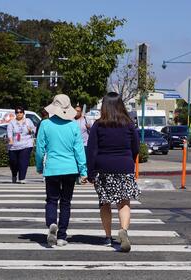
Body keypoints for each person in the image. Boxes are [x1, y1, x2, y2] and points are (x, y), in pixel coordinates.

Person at [86, 92, 140, 252]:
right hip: (124, 166)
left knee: (105, 203)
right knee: (124, 202)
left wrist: (90, 172)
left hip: (103, 168)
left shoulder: (98, 125)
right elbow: (136, 147)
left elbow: (92, 150)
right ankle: (123, 230)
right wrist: (130, 159)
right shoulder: (129, 124)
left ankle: (108, 237)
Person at [36, 94, 87, 247]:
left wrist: (39, 166)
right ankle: (62, 236)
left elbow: (39, 149)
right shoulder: (73, 126)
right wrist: (83, 171)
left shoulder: (45, 124)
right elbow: (79, 150)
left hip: (52, 168)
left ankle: (52, 223)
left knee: (51, 200)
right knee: (66, 202)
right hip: (70, 168)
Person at [7, 106, 35, 184]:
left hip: (26, 144)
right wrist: (10, 139)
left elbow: (34, 130)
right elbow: (9, 132)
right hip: (14, 145)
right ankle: (14, 174)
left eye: (20, 112)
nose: (19, 114)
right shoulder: (12, 122)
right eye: (17, 112)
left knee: (23, 161)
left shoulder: (28, 121)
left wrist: (31, 130)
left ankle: (22, 178)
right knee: (13, 162)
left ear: (23, 113)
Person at [74, 105, 92, 184]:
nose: (76, 112)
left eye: (78, 111)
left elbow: (92, 132)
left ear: (81, 112)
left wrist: (89, 128)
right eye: (75, 111)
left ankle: (84, 176)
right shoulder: (71, 120)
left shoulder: (86, 119)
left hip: (85, 144)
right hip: (75, 144)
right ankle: (77, 177)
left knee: (84, 161)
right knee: (76, 161)